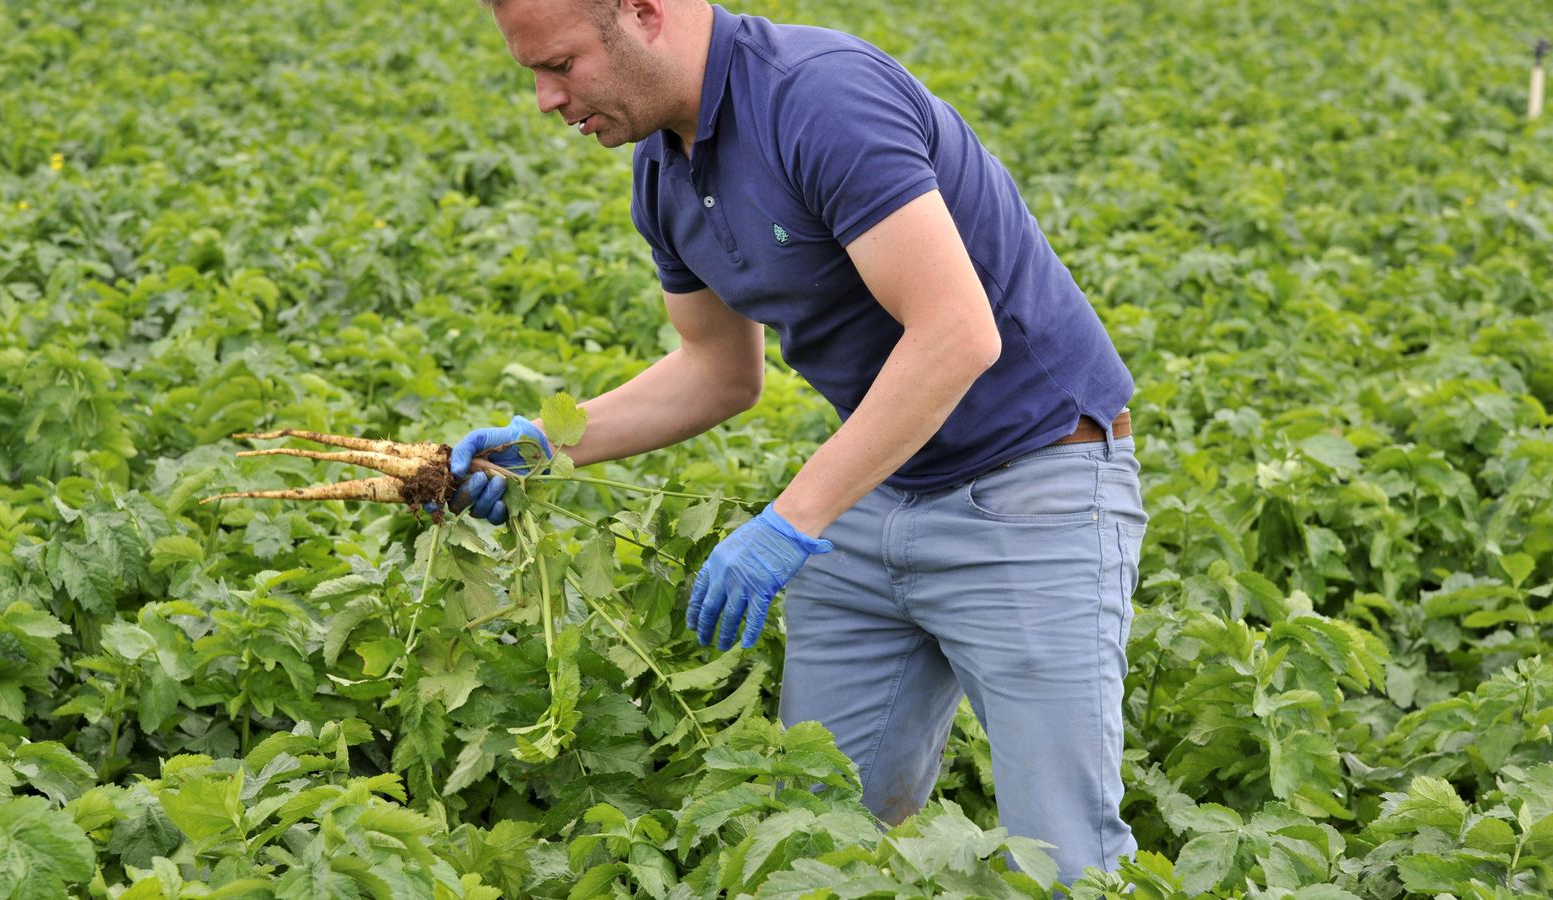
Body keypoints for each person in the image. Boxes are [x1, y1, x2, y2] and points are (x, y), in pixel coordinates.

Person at [450, 0, 1147, 884]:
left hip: (1032, 485)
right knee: (814, 836)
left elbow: (958, 333)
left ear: (642, 12)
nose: (547, 100)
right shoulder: (663, 171)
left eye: (561, 65)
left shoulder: (819, 98)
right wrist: (549, 445)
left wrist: (790, 521)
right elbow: (717, 371)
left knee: (1066, 859)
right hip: (881, 485)